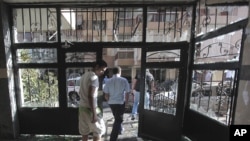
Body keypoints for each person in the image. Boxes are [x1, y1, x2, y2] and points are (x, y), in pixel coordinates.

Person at [78, 60, 108, 141]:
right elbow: (91, 96)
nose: (102, 72)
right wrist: (94, 114)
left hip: (82, 108)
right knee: (99, 130)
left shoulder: (84, 76)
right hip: (90, 109)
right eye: (102, 70)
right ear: (97, 67)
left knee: (84, 131)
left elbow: (80, 91)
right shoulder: (94, 77)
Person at [103, 66, 130, 141]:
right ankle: (113, 138)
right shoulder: (124, 80)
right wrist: (127, 103)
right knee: (118, 120)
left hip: (111, 103)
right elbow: (127, 93)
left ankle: (120, 130)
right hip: (120, 102)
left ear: (113, 72)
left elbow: (106, 95)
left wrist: (109, 101)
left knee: (117, 118)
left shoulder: (108, 81)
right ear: (119, 72)